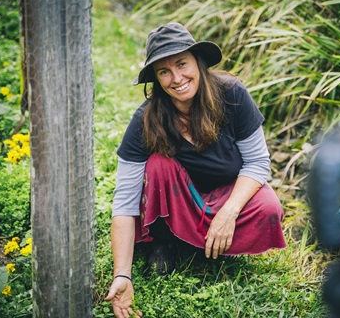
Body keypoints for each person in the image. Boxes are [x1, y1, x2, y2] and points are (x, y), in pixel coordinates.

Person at [105, 22, 286, 318]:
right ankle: (165, 241)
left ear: (198, 62)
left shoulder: (233, 95)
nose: (176, 78)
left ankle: (209, 239)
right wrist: (122, 275)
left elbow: (257, 163)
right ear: (156, 79)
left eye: (182, 64)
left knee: (268, 207)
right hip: (179, 202)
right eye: (164, 71)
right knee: (159, 165)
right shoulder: (146, 120)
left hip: (226, 194)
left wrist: (228, 213)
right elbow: (124, 201)